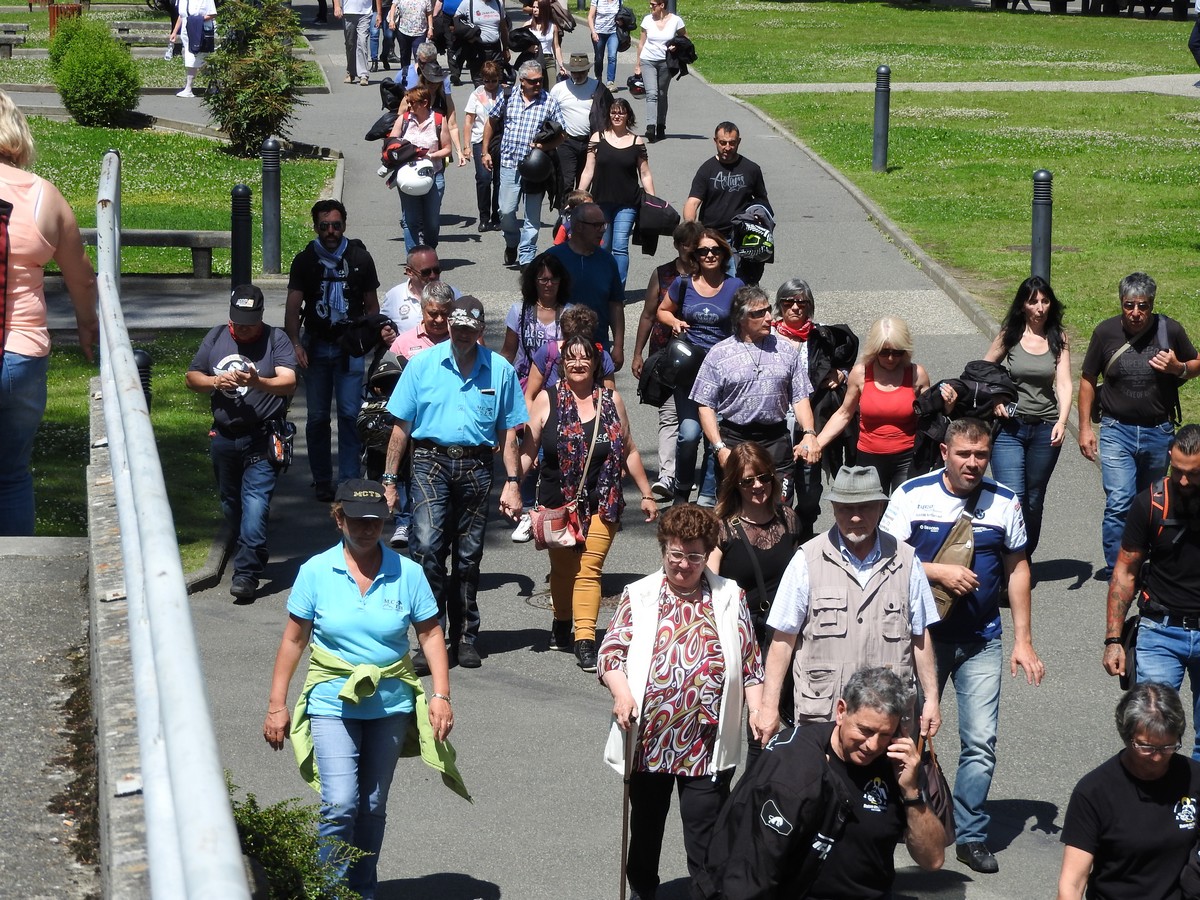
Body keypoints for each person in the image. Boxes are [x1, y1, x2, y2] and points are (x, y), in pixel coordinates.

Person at [262, 479, 455, 899]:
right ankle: (328, 892)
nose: (367, 528)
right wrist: (277, 704)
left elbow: (430, 636)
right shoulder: (315, 571)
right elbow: (293, 641)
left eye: (376, 521)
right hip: (333, 700)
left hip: (390, 703)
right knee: (341, 804)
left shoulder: (409, 573)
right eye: (357, 520)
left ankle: (361, 890)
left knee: (371, 807)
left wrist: (440, 695)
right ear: (339, 519)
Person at [881, 416, 1046, 875]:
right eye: (964, 455)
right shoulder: (913, 495)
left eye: (981, 455)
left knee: (980, 742)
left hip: (981, 641)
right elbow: (887, 558)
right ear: (945, 454)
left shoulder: (1005, 502)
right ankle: (899, 820)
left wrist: (1024, 642)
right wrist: (939, 572)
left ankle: (971, 835)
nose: (973, 463)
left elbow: (1017, 570)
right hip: (921, 640)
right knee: (906, 735)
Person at [598, 504, 764, 900]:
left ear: (708, 554)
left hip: (706, 745)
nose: (684, 564)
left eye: (694, 555)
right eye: (676, 554)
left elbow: (752, 665)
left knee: (706, 837)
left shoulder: (730, 596)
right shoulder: (638, 595)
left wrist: (758, 711)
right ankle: (641, 890)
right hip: (649, 740)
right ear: (663, 550)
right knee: (647, 830)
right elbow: (611, 654)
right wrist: (621, 694)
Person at [698, 668, 946, 900]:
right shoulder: (793, 766)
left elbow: (932, 859)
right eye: (865, 730)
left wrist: (911, 792)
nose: (873, 745)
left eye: (884, 734)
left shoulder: (898, 763)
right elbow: (752, 869)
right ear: (841, 711)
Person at [382, 296, 528, 671]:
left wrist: (513, 482)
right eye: (457, 327)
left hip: (477, 468)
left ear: (480, 331)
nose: (462, 334)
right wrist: (389, 480)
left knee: (467, 556)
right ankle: (430, 637)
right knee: (428, 548)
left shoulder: (500, 371)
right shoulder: (422, 366)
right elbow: (400, 429)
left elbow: (509, 434)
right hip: (429, 462)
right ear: (449, 326)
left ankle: (465, 637)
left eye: (470, 329)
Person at [759, 465, 942, 750]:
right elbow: (782, 640)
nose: (855, 517)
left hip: (889, 724)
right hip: (823, 722)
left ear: (881, 507)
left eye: (865, 507)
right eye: (845, 508)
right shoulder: (806, 560)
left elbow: (920, 636)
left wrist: (931, 700)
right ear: (833, 507)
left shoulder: (907, 560)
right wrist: (768, 707)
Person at [520, 335, 657, 671]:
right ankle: (562, 621)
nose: (578, 364)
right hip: (557, 504)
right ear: (562, 364)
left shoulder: (612, 400)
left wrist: (648, 493)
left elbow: (630, 450)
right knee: (564, 571)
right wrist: (512, 487)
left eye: (584, 358)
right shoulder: (546, 400)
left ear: (596, 364)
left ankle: (585, 640)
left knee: (588, 570)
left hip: (603, 501)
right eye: (571, 359)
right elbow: (528, 450)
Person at [0, 91, 97, 536]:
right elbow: (81, 277)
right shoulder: (45, 196)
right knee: (12, 474)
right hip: (21, 352)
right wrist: (87, 326)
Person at [1078, 272, 1198, 580]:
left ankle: (1145, 561)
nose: (1135, 313)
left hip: (1158, 431)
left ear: (1151, 304)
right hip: (1117, 429)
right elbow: (1088, 379)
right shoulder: (1105, 333)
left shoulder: (1169, 329)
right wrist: (1084, 427)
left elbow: (1196, 363)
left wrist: (1178, 368)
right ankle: (1117, 566)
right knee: (1120, 499)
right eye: (1129, 305)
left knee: (1151, 501)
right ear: (1121, 303)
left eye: (1142, 306)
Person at [186, 285, 297, 601]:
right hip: (223, 438)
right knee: (230, 504)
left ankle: (246, 574)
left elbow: (289, 381)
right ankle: (254, 548)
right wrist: (214, 381)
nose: (241, 329)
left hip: (262, 437)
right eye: (237, 322)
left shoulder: (276, 340)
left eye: (248, 323)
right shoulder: (218, 336)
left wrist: (257, 381)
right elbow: (191, 376)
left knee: (255, 503)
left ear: (260, 317)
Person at [1103, 425, 1200, 759]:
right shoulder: (1150, 504)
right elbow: (1126, 572)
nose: (1184, 481)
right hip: (1160, 632)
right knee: (1151, 735)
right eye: (1178, 472)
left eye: (1194, 474)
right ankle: (1156, 807)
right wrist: (1113, 640)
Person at [707, 442, 803, 766]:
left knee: (778, 721)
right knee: (751, 727)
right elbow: (709, 589)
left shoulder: (788, 519)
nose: (758, 486)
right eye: (748, 481)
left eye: (763, 477)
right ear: (734, 483)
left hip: (784, 635)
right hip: (742, 638)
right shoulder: (722, 528)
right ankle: (746, 799)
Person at [1057, 683, 1200, 900]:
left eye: (1168, 747)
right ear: (1127, 736)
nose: (1157, 757)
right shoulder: (1094, 792)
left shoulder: (1194, 777)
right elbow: (1072, 884)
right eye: (1147, 747)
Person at [286, 199, 381, 501]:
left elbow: (371, 306)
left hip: (349, 348)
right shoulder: (304, 261)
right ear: (315, 227)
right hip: (316, 346)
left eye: (336, 225)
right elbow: (292, 307)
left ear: (344, 225)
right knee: (316, 418)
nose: (330, 231)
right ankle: (322, 479)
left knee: (351, 415)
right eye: (324, 226)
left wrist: (367, 342)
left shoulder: (360, 258)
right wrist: (295, 344)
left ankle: (349, 480)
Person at [691, 284, 817, 503]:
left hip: (776, 439)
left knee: (780, 507)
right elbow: (705, 404)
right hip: (735, 438)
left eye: (768, 310)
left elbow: (800, 396)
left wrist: (809, 433)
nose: (769, 317)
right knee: (734, 510)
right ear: (741, 318)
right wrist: (719, 447)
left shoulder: (786, 349)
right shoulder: (718, 354)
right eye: (759, 313)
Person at [983, 276, 1073, 561]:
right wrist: (997, 398)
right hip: (1010, 427)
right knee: (1015, 497)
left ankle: (1022, 556)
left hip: (1045, 429)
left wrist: (1062, 421)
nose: (1040, 307)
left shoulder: (1059, 338)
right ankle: (1009, 562)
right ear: (1023, 305)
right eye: (1033, 301)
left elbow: (1064, 383)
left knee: (1034, 500)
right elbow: (983, 370)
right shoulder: (1009, 334)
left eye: (1045, 301)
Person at [655, 228, 743, 505]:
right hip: (689, 370)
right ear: (695, 255)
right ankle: (681, 488)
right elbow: (662, 310)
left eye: (715, 250)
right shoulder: (684, 284)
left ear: (724, 254)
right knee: (689, 434)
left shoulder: (735, 286)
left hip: (721, 371)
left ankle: (707, 495)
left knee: (713, 436)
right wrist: (675, 323)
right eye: (703, 251)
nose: (709, 255)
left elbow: (745, 322)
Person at [773, 278, 859, 540]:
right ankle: (784, 536)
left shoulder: (821, 336)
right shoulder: (768, 336)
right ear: (780, 306)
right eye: (789, 302)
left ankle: (806, 524)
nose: (796, 308)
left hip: (812, 424)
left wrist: (842, 374)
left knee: (810, 491)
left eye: (802, 302)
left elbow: (849, 358)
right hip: (777, 424)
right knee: (781, 488)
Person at [815, 316, 934, 495]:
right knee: (872, 516)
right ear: (874, 350)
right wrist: (816, 443)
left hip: (907, 457)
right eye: (884, 352)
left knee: (900, 514)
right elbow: (844, 414)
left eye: (898, 352)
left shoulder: (917, 375)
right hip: (869, 458)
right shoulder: (861, 373)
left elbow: (930, 417)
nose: (891, 358)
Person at [631, 220, 703, 500]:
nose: (691, 250)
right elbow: (649, 314)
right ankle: (667, 476)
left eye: (695, 246)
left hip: (700, 357)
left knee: (696, 419)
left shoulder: (708, 276)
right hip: (666, 356)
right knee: (669, 414)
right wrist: (637, 353)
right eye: (686, 245)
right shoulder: (663, 275)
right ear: (677, 245)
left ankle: (686, 472)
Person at [482, 60, 567, 269]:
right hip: (510, 163)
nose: (538, 85)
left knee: (532, 216)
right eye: (533, 81)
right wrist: (485, 152)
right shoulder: (508, 96)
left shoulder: (549, 102)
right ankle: (512, 242)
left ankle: (527, 255)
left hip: (536, 167)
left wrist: (542, 147)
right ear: (522, 81)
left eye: (540, 81)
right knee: (506, 211)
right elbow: (491, 122)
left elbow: (562, 135)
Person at [577, 97, 655, 288]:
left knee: (620, 248)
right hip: (601, 203)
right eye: (613, 112)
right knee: (602, 246)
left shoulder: (637, 141)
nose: (617, 115)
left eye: (621, 112)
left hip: (627, 203)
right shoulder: (597, 138)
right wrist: (579, 193)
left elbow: (644, 174)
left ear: (628, 115)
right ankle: (599, 285)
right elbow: (588, 170)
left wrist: (653, 201)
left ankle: (617, 291)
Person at [684, 121, 771, 285]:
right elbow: (693, 202)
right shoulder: (707, 169)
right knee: (725, 280)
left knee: (742, 280)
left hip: (742, 236)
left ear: (739, 142)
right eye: (723, 142)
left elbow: (762, 202)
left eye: (732, 143)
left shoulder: (751, 169)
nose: (727, 147)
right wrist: (691, 229)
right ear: (715, 141)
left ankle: (749, 306)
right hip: (713, 236)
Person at [546, 202, 625, 366]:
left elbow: (615, 305)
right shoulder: (553, 258)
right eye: (597, 225)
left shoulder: (608, 261)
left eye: (603, 224)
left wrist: (618, 346)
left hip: (597, 347)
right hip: (559, 347)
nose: (603, 230)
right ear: (579, 227)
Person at [389, 85, 452, 252]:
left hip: (433, 175)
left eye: (412, 102)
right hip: (408, 175)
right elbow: (391, 143)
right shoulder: (403, 120)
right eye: (408, 102)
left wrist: (429, 156)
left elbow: (447, 148)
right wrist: (402, 152)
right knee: (410, 219)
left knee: (431, 221)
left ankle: (429, 251)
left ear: (424, 103)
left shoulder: (438, 119)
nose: (409, 106)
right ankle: (413, 259)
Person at [523, 303, 617, 401]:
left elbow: (611, 398)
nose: (578, 364)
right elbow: (530, 397)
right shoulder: (547, 352)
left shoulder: (602, 357)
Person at [550, 53, 613, 195]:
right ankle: (564, 213)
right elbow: (548, 114)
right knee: (566, 181)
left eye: (581, 72)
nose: (578, 75)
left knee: (584, 183)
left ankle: (580, 213)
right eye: (575, 72)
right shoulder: (559, 89)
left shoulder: (598, 87)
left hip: (590, 141)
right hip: (566, 141)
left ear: (588, 70)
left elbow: (610, 111)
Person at [633, 0, 685, 142]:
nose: (650, 7)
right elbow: (641, 43)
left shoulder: (676, 20)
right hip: (647, 60)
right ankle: (651, 126)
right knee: (652, 93)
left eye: (653, 4)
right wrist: (638, 64)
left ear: (662, 5)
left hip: (666, 63)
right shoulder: (647, 20)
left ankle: (661, 125)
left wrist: (676, 46)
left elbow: (685, 39)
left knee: (662, 94)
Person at [380, 245, 461, 337]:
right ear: (409, 272)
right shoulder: (394, 296)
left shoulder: (453, 294)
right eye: (426, 272)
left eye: (436, 270)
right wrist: (385, 333)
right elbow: (381, 324)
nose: (433, 276)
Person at [462, 60, 502, 233]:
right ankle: (484, 217)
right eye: (487, 81)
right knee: (484, 179)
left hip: (501, 141)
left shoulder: (505, 93)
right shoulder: (476, 95)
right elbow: (468, 121)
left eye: (494, 80)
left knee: (500, 181)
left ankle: (496, 216)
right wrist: (466, 146)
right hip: (479, 140)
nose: (491, 84)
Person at [168, 0, 216, 98]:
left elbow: (212, 14)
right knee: (191, 57)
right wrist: (174, 32)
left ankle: (212, 85)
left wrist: (197, 21)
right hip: (187, 31)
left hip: (201, 30)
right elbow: (181, 16)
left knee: (204, 58)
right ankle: (189, 88)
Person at [458, 0, 509, 85]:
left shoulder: (498, 3)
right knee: (480, 83)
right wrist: (467, 36)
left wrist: (506, 48)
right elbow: (456, 22)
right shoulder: (468, 3)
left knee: (497, 81)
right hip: (477, 49)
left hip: (495, 49)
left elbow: (503, 27)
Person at [336, 0, 379, 86]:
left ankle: (363, 75)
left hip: (365, 12)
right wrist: (337, 6)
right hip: (348, 12)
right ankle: (351, 72)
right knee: (350, 44)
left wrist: (379, 13)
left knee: (362, 42)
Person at [525, 0, 564, 84]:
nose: (534, 10)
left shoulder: (553, 26)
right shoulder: (528, 25)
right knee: (535, 89)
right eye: (534, 7)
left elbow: (556, 47)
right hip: (534, 59)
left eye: (537, 8)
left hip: (549, 59)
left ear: (544, 9)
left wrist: (561, 65)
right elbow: (518, 44)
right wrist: (528, 48)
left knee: (552, 89)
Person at [387, 0, 432, 70]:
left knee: (419, 56)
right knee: (404, 55)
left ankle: (419, 77)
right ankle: (405, 76)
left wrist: (430, 28)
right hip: (403, 30)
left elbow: (429, 13)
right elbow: (393, 6)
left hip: (420, 31)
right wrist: (391, 20)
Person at [587, 0, 619, 88]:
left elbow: (620, 14)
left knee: (612, 56)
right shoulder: (597, 1)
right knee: (599, 58)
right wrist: (593, 32)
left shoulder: (618, 1)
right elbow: (590, 16)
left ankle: (610, 82)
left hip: (613, 33)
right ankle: (598, 78)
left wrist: (621, 21)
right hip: (598, 33)